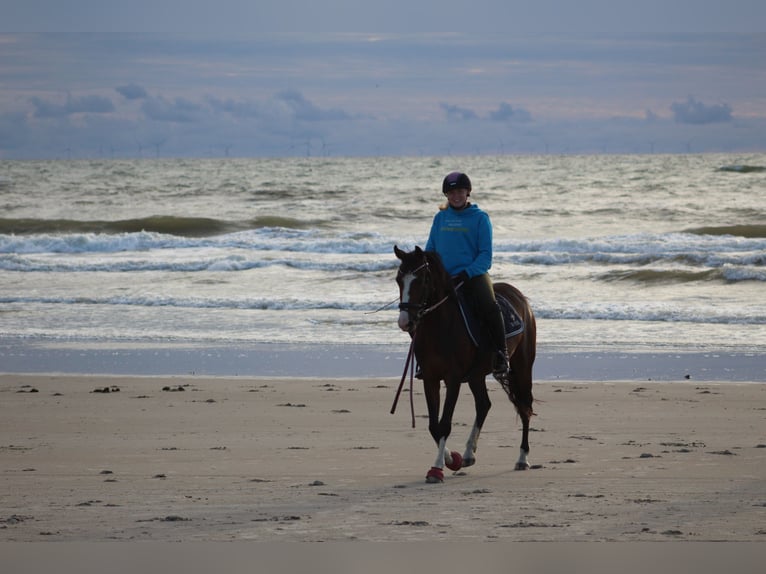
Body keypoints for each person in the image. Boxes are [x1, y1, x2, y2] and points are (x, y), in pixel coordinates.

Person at [425, 171, 510, 380]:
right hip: (444, 278)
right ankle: (424, 359)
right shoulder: (440, 218)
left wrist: (467, 273)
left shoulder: (480, 218)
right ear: (446, 195)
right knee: (419, 307)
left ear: (468, 193)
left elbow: (485, 256)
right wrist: (431, 270)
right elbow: (431, 249)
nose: (456, 196)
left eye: (460, 191)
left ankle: (501, 353)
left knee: (489, 306)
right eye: (451, 192)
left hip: (472, 275)